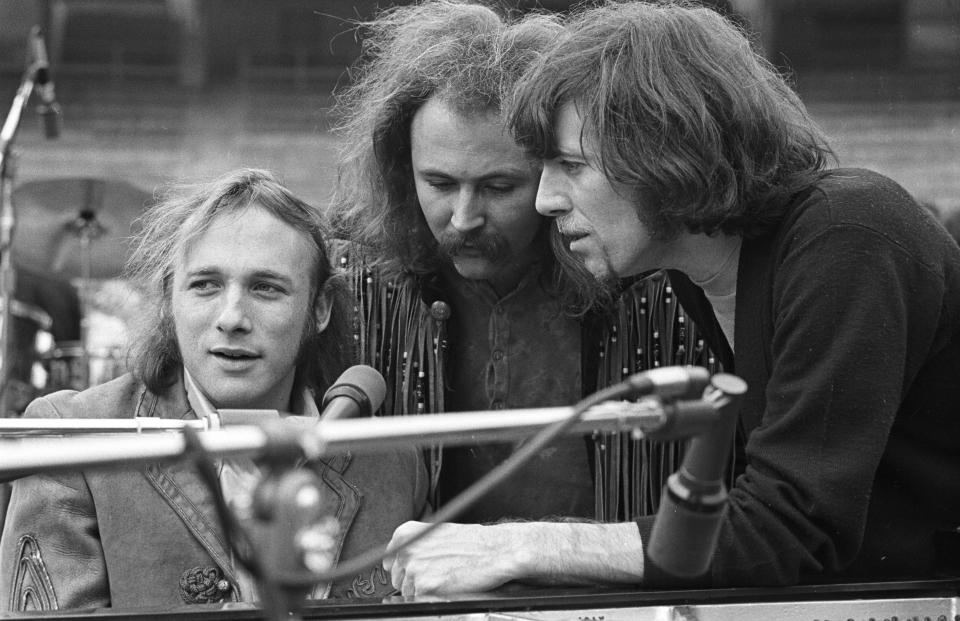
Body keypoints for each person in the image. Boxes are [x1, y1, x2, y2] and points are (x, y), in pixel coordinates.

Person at [383, 0, 960, 594]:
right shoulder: (701, 274)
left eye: (571, 165)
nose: (545, 200)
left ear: (663, 149)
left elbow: (787, 529)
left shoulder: (848, 235)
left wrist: (518, 545)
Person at [329, 0, 718, 534]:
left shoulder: (657, 283)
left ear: (559, 174)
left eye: (499, 187)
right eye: (439, 184)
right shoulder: (354, 279)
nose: (463, 219)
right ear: (401, 171)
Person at [0, 169, 428, 612]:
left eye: (266, 288)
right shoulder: (69, 436)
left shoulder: (393, 460)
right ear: (169, 300)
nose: (232, 317)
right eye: (205, 285)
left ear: (319, 309)